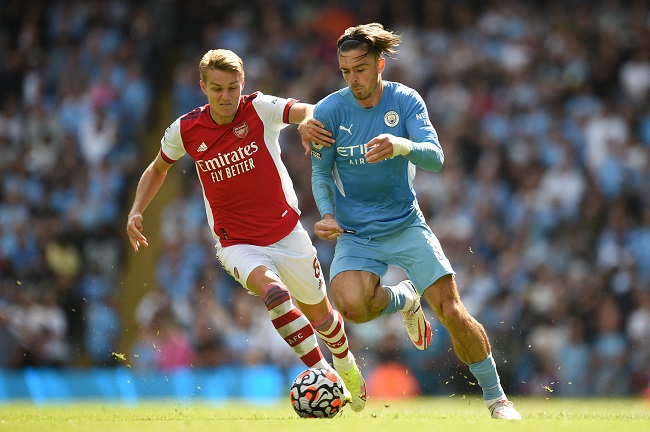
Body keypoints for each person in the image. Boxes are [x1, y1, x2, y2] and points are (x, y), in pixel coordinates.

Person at [299, 23, 521, 420]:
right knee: (350, 306)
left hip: (404, 223)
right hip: (356, 233)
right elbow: (320, 173)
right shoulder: (329, 111)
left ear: (379, 65)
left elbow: (436, 157)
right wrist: (327, 213)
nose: (353, 78)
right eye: (346, 71)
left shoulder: (404, 100)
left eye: (361, 69)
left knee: (451, 312)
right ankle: (405, 298)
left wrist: (401, 145)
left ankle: (497, 398)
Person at [126, 49, 366, 411]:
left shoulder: (259, 108)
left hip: (287, 234)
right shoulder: (186, 129)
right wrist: (136, 210)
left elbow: (310, 109)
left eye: (232, 87)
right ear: (203, 87)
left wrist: (306, 122)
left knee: (324, 319)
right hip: (236, 243)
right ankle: (324, 374)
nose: (226, 97)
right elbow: (158, 167)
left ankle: (345, 364)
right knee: (274, 294)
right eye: (217, 89)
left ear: (243, 84)